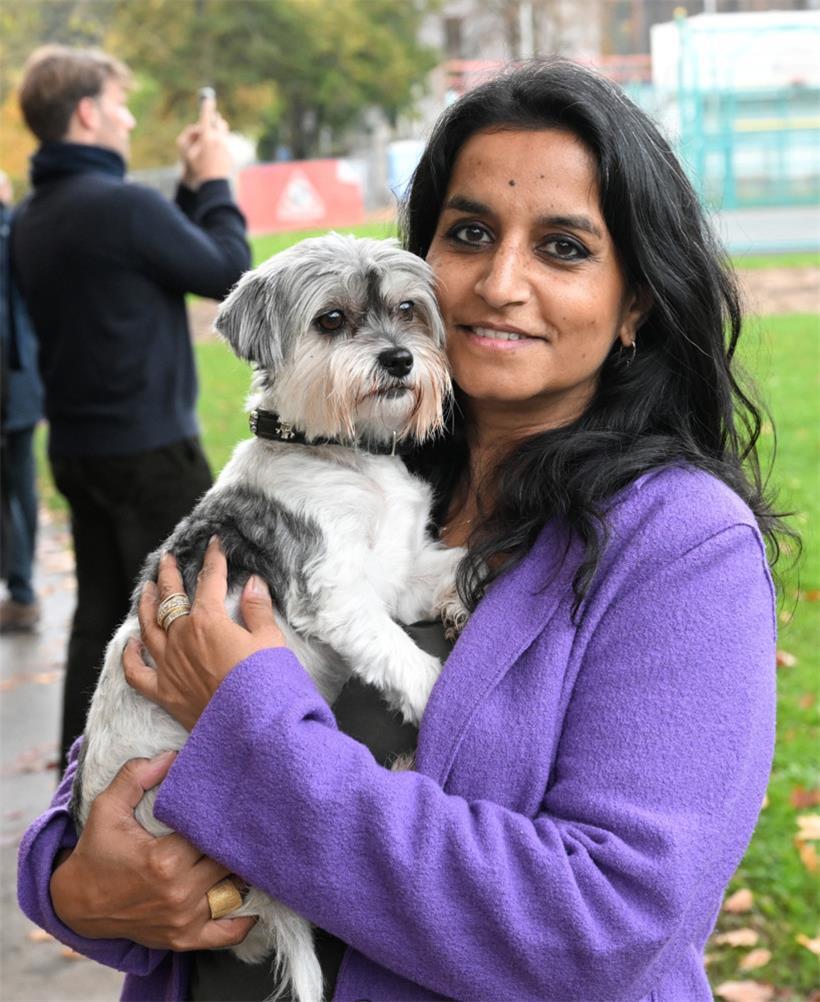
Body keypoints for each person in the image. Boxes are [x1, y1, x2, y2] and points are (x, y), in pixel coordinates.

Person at [18, 59, 783, 1002]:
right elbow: (109, 760)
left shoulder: (682, 547)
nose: (502, 282)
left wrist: (254, 724)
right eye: (469, 233)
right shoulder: (353, 464)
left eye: (565, 249)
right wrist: (76, 886)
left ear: (636, 304)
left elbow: (606, 925)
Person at [11, 46, 251, 769]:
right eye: (119, 104)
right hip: (151, 453)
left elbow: (148, 259)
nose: (130, 116)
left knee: (99, 619)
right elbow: (227, 272)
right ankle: (217, 779)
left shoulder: (34, 216)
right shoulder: (122, 208)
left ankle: (78, 780)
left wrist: (182, 188)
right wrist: (214, 181)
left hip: (79, 452)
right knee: (197, 620)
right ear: (86, 112)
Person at [0, 169, 44, 633]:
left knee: (13, 486)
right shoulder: (22, 230)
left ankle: (21, 590)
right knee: (21, 482)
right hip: (24, 381)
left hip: (12, 384)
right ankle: (21, 589)